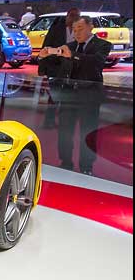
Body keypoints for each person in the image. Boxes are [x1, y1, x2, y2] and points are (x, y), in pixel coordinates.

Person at [45, 16, 112, 175]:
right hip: (69, 95)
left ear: (91, 27)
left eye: (80, 29)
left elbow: (96, 62)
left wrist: (73, 55)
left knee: (88, 132)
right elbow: (57, 65)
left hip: (89, 96)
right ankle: (65, 162)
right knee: (65, 130)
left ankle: (86, 166)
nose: (77, 33)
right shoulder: (69, 45)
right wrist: (45, 56)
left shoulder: (103, 45)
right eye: (74, 30)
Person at [40, 8, 80, 128]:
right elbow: (46, 47)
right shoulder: (56, 29)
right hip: (55, 66)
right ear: (67, 16)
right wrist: (43, 67)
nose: (74, 18)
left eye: (77, 16)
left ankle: (64, 121)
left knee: (68, 95)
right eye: (72, 16)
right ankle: (49, 120)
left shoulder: (79, 30)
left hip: (72, 68)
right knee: (54, 95)